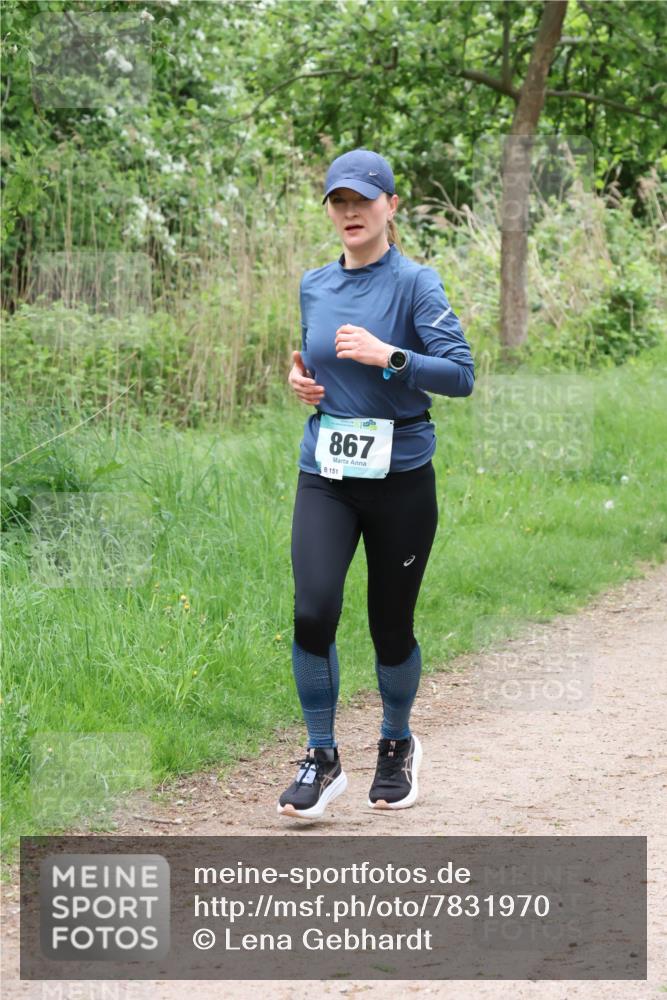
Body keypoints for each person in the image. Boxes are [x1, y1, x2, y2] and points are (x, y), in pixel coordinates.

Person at [277, 148, 475, 820]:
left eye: (364, 199)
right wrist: (303, 380)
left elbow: (460, 375)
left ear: (392, 206)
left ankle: (394, 744)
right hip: (326, 472)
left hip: (401, 479)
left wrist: (391, 357)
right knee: (313, 610)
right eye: (339, 201)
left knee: (389, 627)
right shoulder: (314, 284)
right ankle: (321, 757)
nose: (350, 212)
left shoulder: (417, 284)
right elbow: (318, 358)